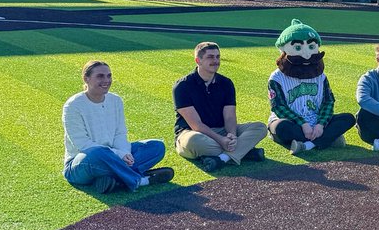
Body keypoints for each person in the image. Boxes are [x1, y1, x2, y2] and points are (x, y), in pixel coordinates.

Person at [63, 59, 173, 193]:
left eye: (109, 76)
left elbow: (120, 133)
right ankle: (141, 180)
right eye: (100, 76)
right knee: (97, 153)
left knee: (156, 146)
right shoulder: (73, 106)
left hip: (114, 156)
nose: (106, 80)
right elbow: (83, 145)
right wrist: (119, 155)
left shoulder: (115, 100)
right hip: (82, 163)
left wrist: (125, 152)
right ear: (86, 79)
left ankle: (113, 180)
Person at [173, 41, 268, 172]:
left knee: (260, 127)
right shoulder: (182, 86)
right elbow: (196, 125)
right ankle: (244, 152)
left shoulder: (226, 83)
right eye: (210, 57)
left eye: (218, 57)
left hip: (222, 130)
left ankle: (223, 158)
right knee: (194, 141)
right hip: (192, 133)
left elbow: (229, 117)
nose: (216, 61)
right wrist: (221, 140)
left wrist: (232, 136)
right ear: (198, 60)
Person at [268, 19, 355, 155]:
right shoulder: (276, 78)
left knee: (348, 118)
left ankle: (307, 145)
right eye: (298, 48)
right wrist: (303, 124)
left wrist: (320, 124)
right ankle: (328, 138)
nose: (306, 54)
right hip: (292, 123)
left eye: (311, 47)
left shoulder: (321, 76)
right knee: (281, 127)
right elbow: (279, 107)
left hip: (316, 121)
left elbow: (328, 102)